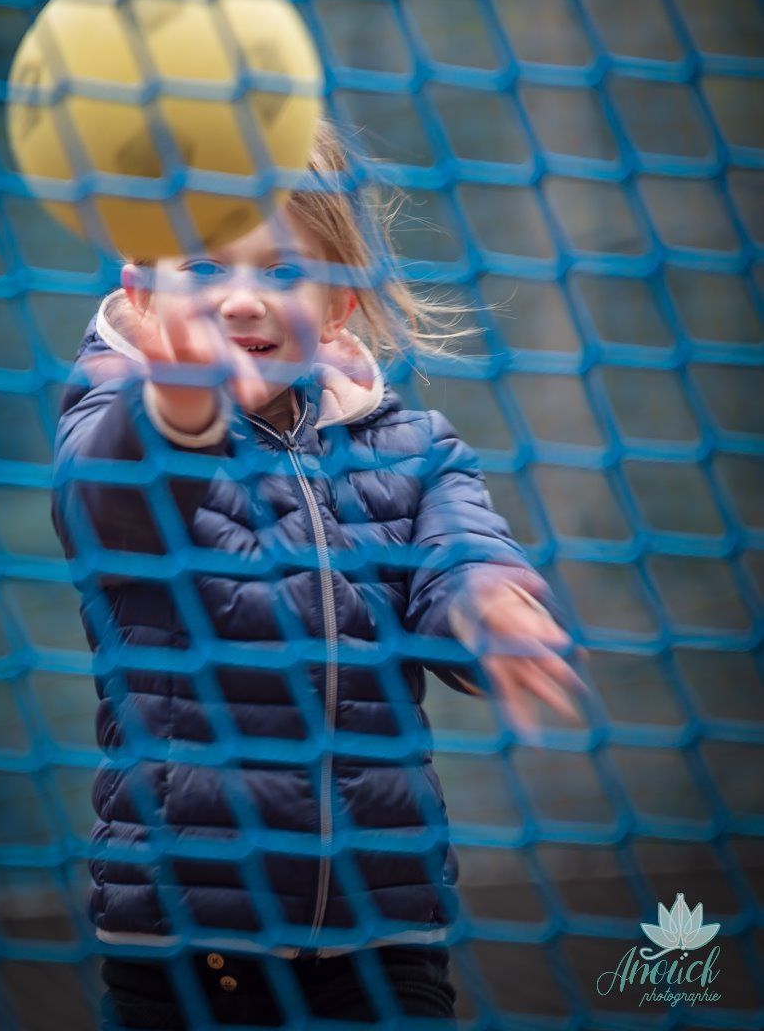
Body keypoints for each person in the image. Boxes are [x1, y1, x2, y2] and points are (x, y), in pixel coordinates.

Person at [52, 121, 586, 1029]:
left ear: (339, 306)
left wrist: (487, 603)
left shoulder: (409, 445)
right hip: (192, 933)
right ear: (140, 294)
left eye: (286, 272)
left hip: (384, 926)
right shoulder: (119, 412)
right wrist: (178, 402)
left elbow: (456, 552)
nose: (246, 300)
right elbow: (105, 499)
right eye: (208, 268)